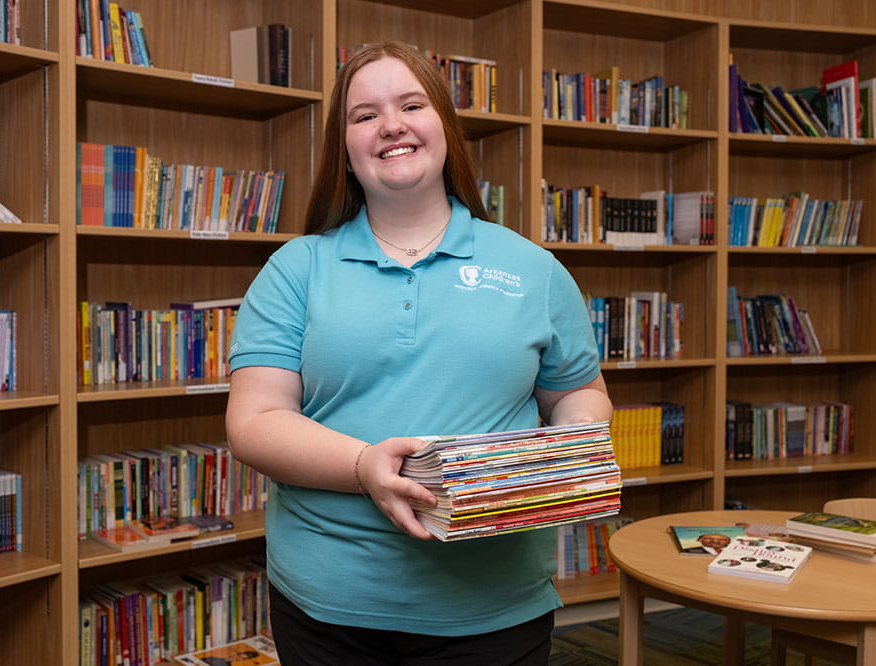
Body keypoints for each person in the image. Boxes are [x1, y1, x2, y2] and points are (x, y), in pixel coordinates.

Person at [225, 40, 613, 665]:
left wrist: (567, 454)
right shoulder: (294, 269)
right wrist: (364, 466)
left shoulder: (533, 269)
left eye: (411, 104)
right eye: (364, 115)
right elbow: (254, 423)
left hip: (495, 602)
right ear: (345, 152)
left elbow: (578, 392)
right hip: (330, 604)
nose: (392, 125)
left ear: (445, 131)